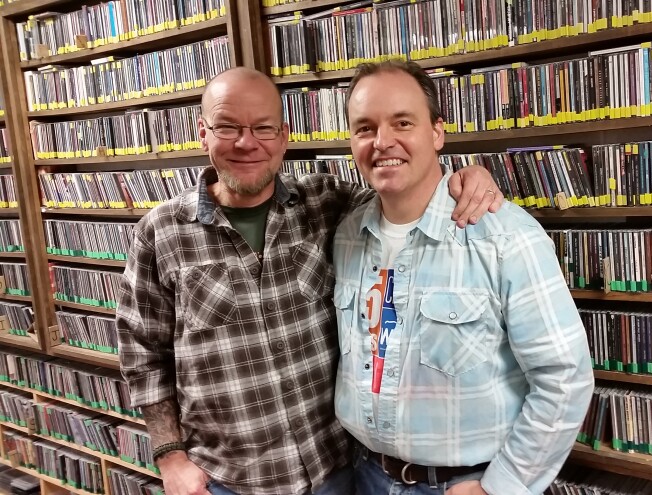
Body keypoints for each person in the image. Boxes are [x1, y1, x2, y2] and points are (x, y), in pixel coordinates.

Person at [115, 67, 503, 495]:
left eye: (263, 128)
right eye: (228, 127)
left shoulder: (328, 205)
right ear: (203, 132)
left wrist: (463, 178)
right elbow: (143, 355)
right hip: (230, 482)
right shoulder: (160, 232)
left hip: (337, 473)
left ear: (284, 136)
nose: (247, 143)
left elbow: (406, 190)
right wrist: (170, 455)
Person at [333, 60, 594, 495]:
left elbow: (565, 376)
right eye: (364, 127)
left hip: (464, 485)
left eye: (402, 122)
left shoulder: (505, 237)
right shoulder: (345, 234)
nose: (382, 141)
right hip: (364, 474)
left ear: (437, 132)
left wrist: (503, 487)